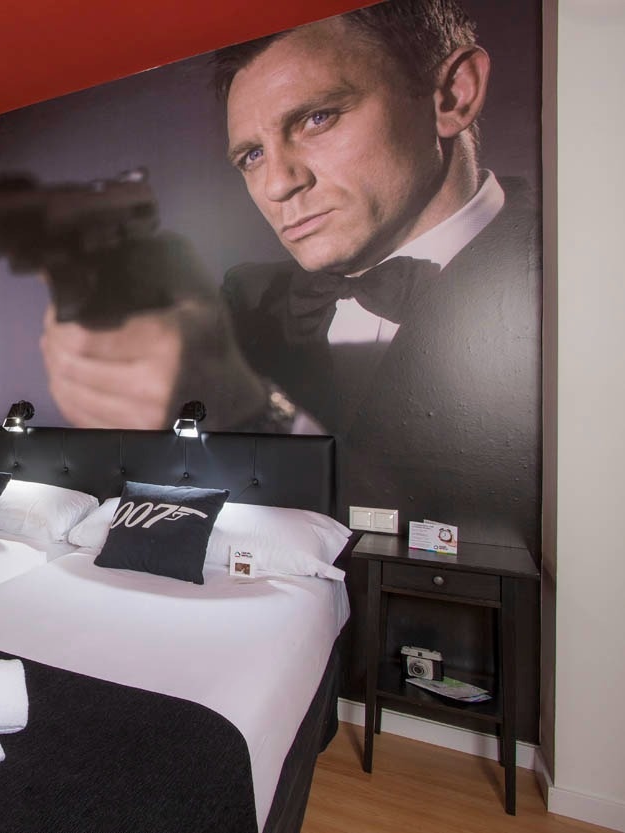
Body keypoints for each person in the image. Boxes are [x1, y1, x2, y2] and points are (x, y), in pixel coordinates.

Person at [40, 0, 540, 545]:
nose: (278, 184)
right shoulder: (248, 297)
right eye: (251, 156)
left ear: (452, 94)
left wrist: (256, 413)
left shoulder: (563, 281)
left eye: (316, 118)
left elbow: (489, 537)